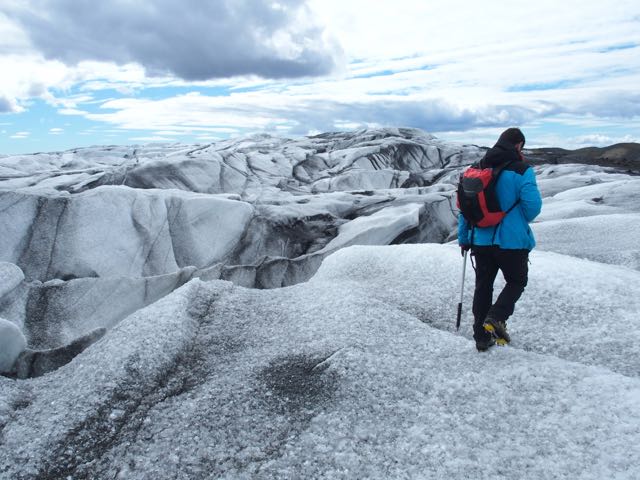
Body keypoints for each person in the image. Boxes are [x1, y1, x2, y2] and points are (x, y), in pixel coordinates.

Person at [458, 128, 542, 351]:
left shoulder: (476, 169)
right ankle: (497, 317)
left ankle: (481, 337)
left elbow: (465, 208)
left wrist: (464, 238)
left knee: (483, 286)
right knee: (516, 281)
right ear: (518, 145)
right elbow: (533, 208)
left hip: (480, 241)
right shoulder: (523, 171)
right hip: (511, 242)